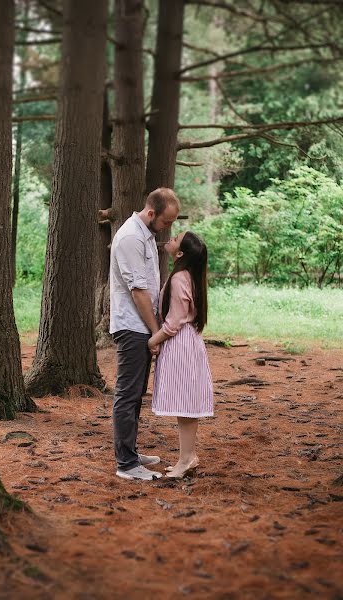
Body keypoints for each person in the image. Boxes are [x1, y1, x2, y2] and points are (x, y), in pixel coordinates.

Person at [110, 187, 180, 480]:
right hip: (133, 327)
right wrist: (156, 332)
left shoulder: (146, 235)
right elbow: (138, 291)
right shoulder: (130, 237)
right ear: (151, 213)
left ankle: (130, 452)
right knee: (127, 394)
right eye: (166, 221)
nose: (169, 228)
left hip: (143, 326)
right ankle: (125, 465)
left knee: (137, 393)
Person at [148, 231, 214, 479]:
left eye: (176, 238)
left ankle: (186, 459)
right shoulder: (190, 276)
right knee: (186, 404)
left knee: (186, 405)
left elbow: (174, 322)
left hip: (181, 343)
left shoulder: (179, 278)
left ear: (180, 253)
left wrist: (152, 341)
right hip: (189, 342)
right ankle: (188, 455)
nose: (171, 238)